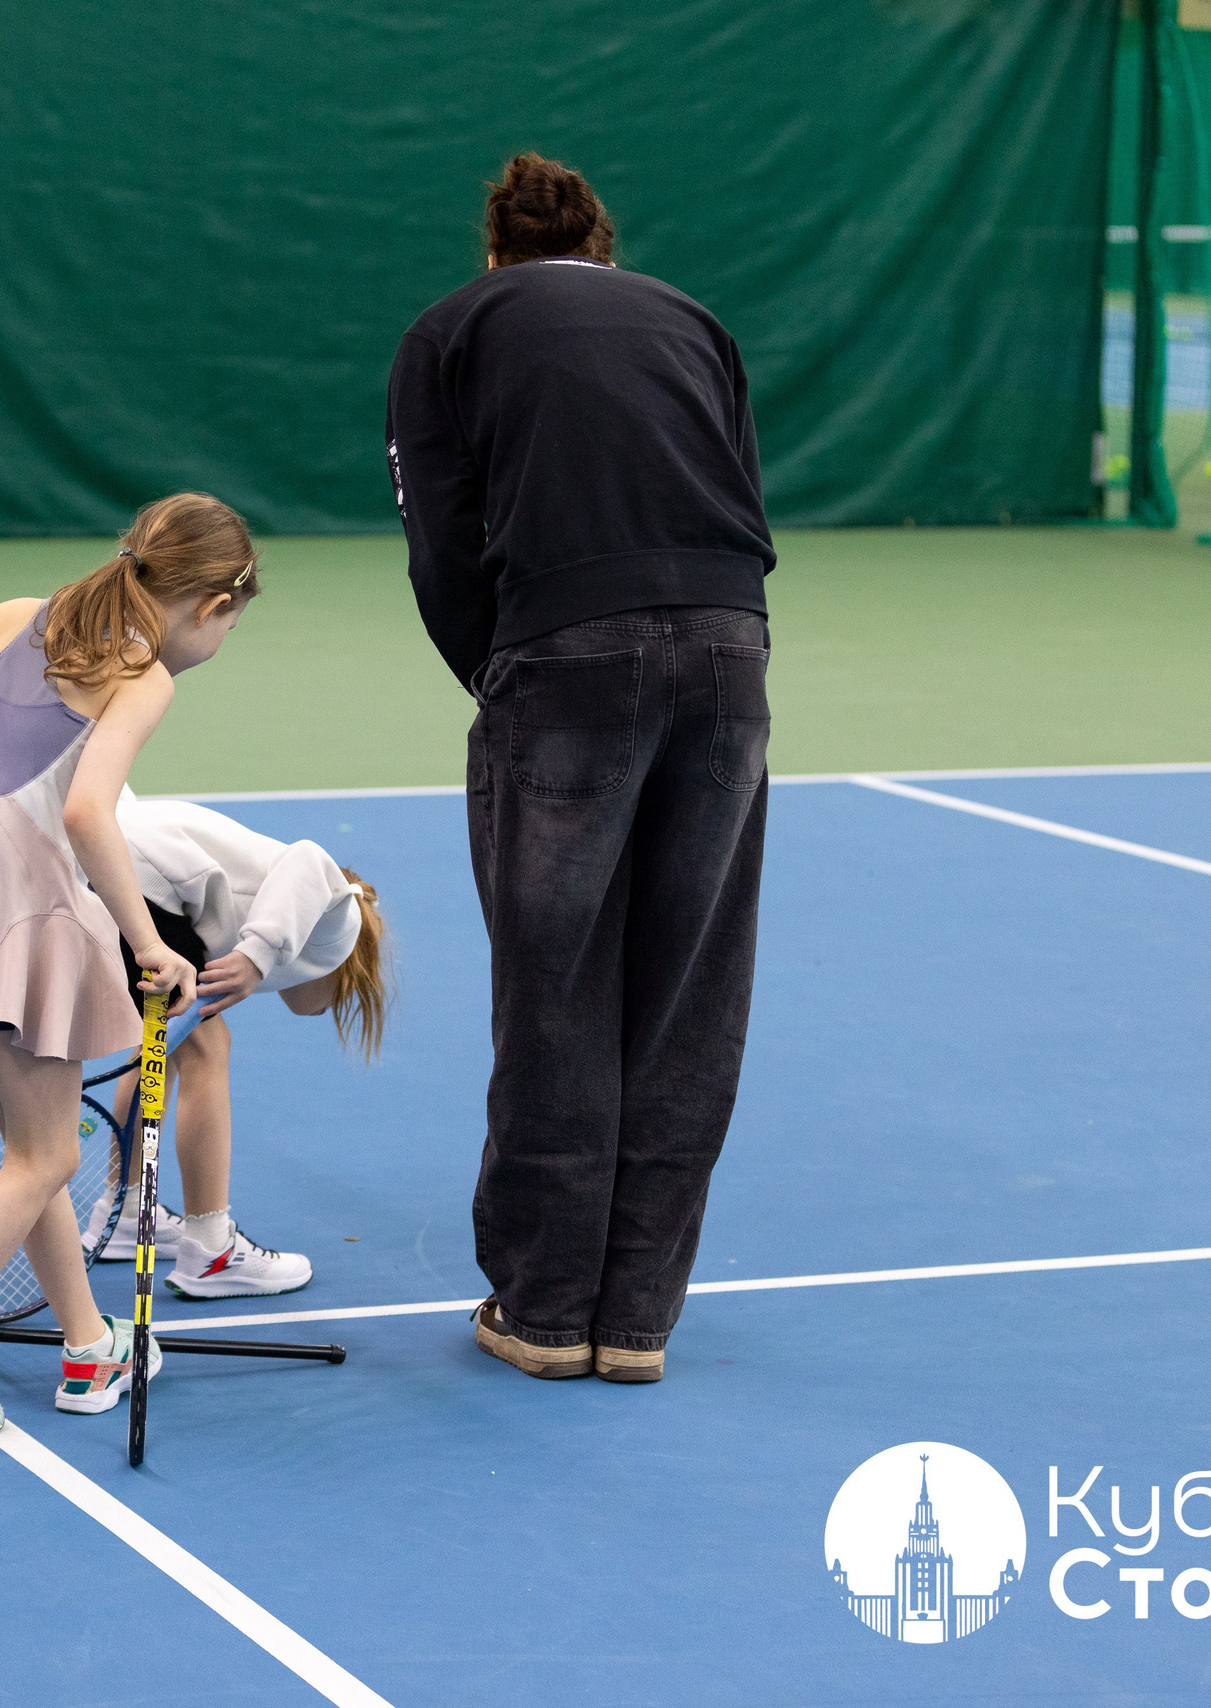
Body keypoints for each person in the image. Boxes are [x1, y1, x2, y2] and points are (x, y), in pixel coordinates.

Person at [386, 153, 775, 1385]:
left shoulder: (447, 331)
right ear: (604, 245)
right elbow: (742, 498)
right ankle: (638, 1321)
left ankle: (547, 1313)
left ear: (494, 249)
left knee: (556, 991)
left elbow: (442, 544)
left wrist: (501, 677)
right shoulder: (692, 320)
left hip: (562, 657)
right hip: (730, 654)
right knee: (687, 992)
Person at [0, 494, 259, 1438]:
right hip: (22, 917)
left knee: (36, 1146)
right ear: (215, 604)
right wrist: (150, 946)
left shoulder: (14, 617)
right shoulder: (142, 676)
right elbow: (84, 814)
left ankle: (88, 1342)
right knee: (42, 1157)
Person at [85, 789, 392, 1297]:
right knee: (208, 1045)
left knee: (162, 1045)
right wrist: (257, 956)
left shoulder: (240, 909)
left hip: (102, 868)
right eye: (343, 995)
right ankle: (211, 1250)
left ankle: (124, 1210)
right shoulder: (340, 918)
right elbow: (311, 859)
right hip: (136, 881)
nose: (330, 1009)